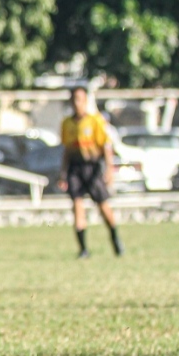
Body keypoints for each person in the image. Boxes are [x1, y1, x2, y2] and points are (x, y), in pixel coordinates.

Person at [59, 86, 123, 258]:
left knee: (103, 207)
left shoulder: (95, 121)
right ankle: (83, 250)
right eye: (74, 99)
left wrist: (109, 170)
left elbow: (105, 147)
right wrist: (63, 172)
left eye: (80, 99)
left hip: (92, 168)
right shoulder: (67, 123)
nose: (76, 103)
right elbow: (67, 150)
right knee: (77, 207)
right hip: (75, 169)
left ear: (86, 101)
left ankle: (116, 240)